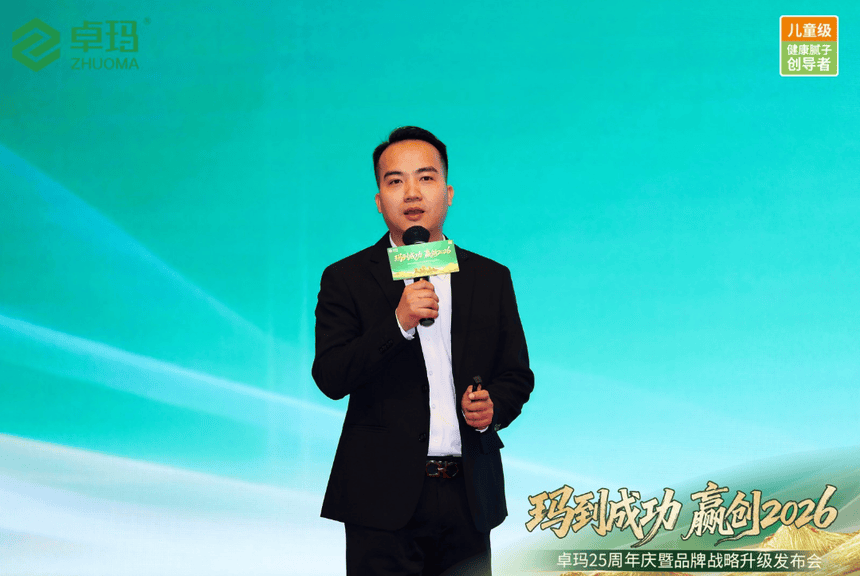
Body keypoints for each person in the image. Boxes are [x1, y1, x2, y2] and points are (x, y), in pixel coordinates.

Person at [312, 126, 534, 575]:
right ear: (379, 200)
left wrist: (492, 407)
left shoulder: (490, 277)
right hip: (381, 499)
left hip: (469, 495)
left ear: (448, 194)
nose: (412, 192)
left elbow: (516, 374)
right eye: (395, 181)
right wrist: (398, 323)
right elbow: (331, 376)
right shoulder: (346, 278)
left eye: (426, 178)